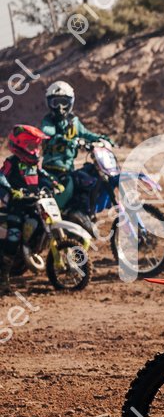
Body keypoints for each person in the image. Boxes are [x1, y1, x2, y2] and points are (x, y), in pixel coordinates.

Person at [0, 126, 63, 293]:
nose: (35, 150)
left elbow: (43, 175)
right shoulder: (11, 162)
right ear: (19, 146)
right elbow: (1, 177)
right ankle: (3, 277)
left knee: (40, 224)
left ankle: (32, 250)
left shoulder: (34, 164)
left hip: (33, 204)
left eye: (36, 146)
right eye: (31, 146)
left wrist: (55, 183)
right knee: (13, 236)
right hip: (16, 206)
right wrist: (11, 190)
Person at [40, 81, 112, 209]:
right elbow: (47, 133)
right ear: (49, 103)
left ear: (70, 103)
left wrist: (103, 139)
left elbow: (87, 134)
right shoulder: (48, 121)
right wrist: (66, 141)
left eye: (64, 102)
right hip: (51, 170)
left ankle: (86, 211)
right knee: (68, 186)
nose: (60, 107)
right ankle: (59, 211)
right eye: (56, 102)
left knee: (87, 181)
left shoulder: (74, 122)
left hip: (69, 169)